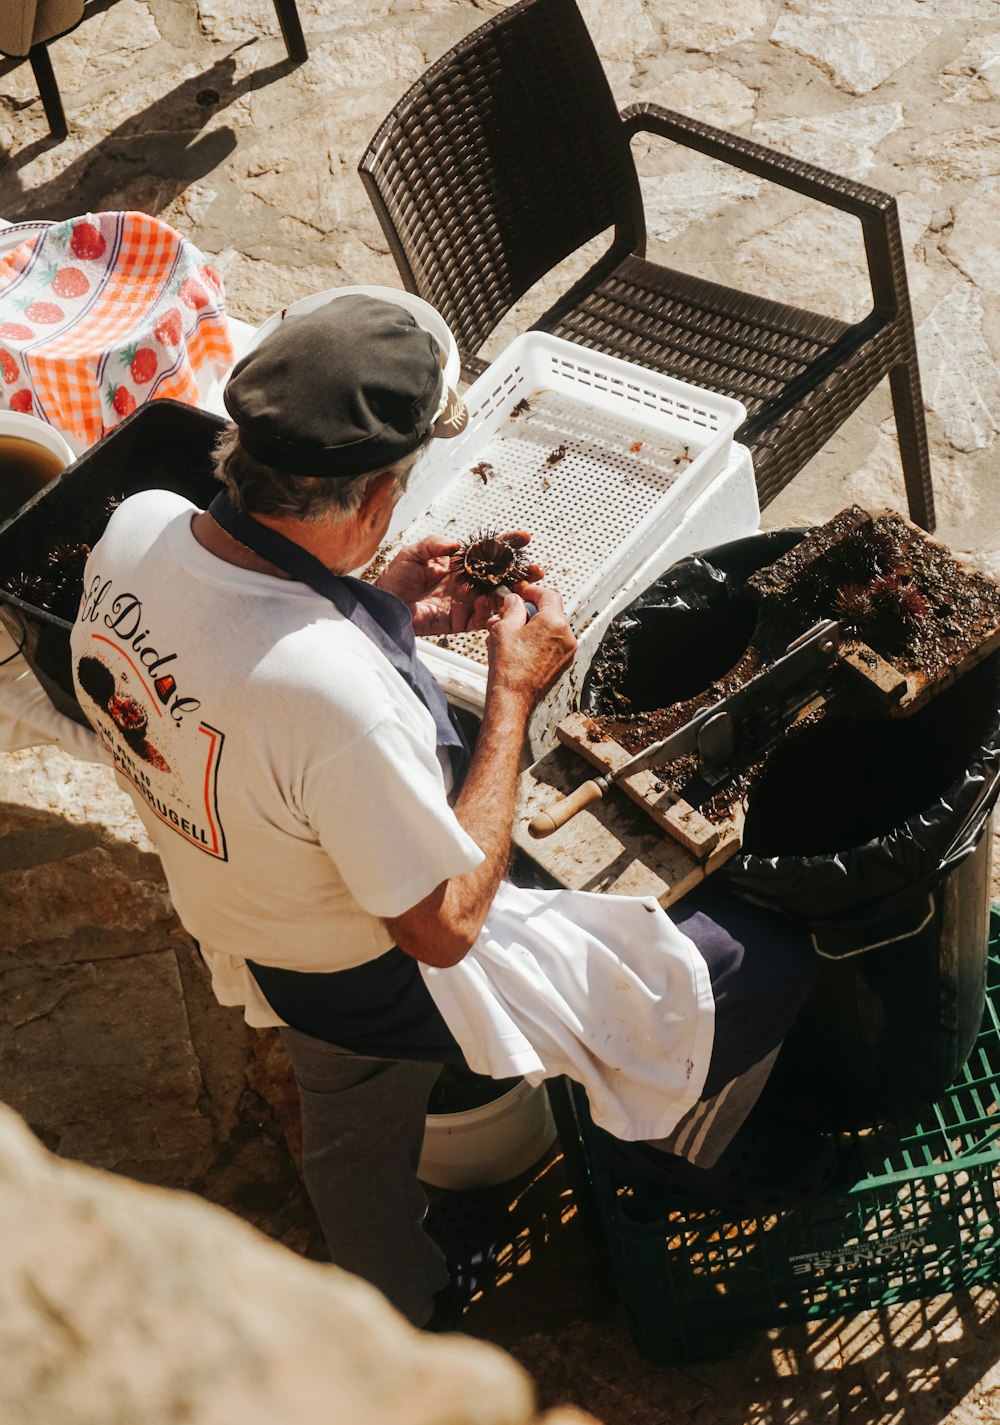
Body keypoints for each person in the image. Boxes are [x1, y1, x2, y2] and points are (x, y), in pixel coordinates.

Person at [69, 295, 821, 1330]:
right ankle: (677, 1153)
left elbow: (235, 657)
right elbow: (442, 929)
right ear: (377, 493)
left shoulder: (138, 526)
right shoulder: (333, 696)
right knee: (752, 966)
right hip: (367, 967)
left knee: (348, 1120)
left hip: (243, 903)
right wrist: (512, 693)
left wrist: (380, 600)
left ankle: (394, 1300)